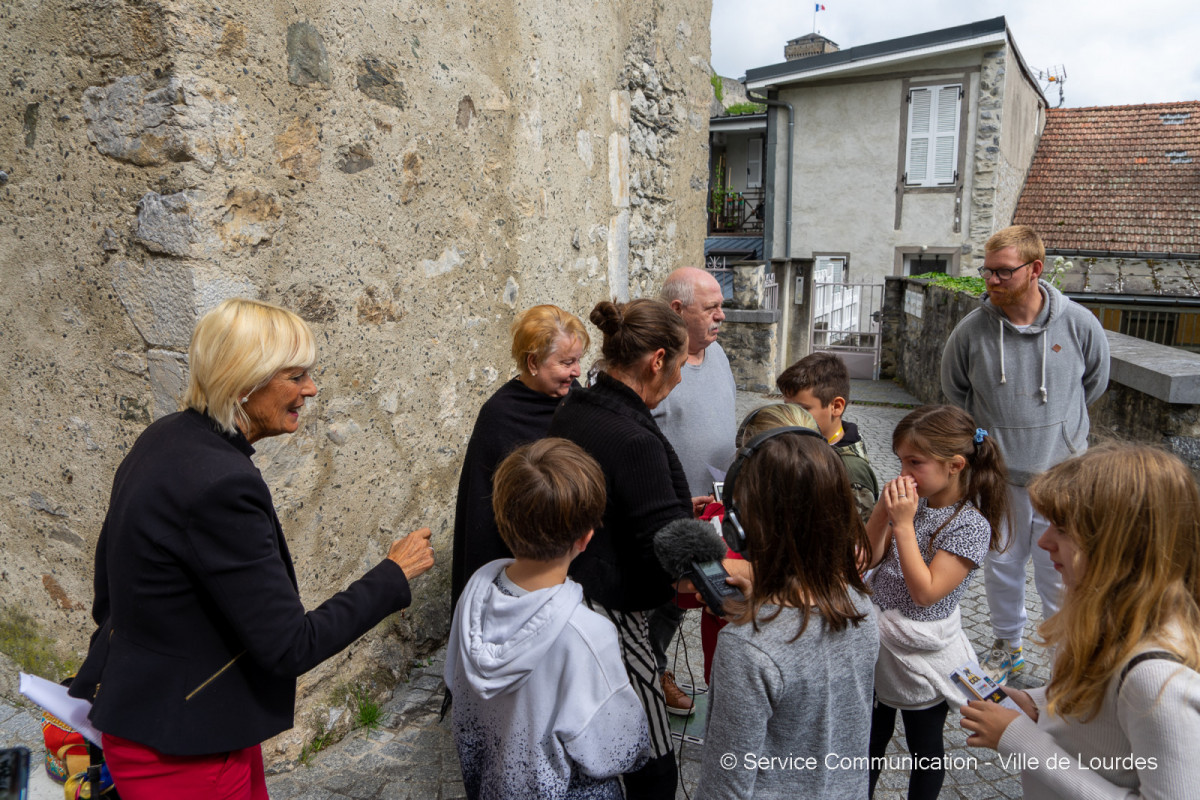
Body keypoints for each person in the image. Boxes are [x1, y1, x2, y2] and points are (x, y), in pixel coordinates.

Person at [67, 298, 434, 800]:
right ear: (245, 382)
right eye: (295, 375)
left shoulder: (164, 437)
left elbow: (109, 594)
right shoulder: (221, 485)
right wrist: (393, 573)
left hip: (181, 719)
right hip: (184, 749)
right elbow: (289, 646)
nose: (311, 388)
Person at [961, 444, 1200, 799]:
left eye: (1062, 528)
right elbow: (1105, 712)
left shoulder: (1157, 679)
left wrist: (1021, 739)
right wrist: (1040, 705)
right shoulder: (1107, 619)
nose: (1043, 541)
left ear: (1119, 547)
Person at [941, 224, 1110, 685]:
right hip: (999, 477)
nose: (990, 281)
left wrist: (1064, 438)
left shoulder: (1078, 324)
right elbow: (955, 392)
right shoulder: (971, 331)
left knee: (1062, 572)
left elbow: (1093, 383)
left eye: (1002, 272)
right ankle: (1008, 649)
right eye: (987, 271)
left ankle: (1065, 663)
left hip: (1064, 478)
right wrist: (986, 445)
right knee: (1002, 565)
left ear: (1035, 270)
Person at [547, 298, 695, 799]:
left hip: (570, 588)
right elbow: (672, 548)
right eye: (679, 364)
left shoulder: (578, 405)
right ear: (657, 360)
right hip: (613, 607)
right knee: (653, 757)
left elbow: (614, 499)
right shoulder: (634, 437)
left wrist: (666, 501)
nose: (679, 377)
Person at [446, 437, 651, 800]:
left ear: (500, 516)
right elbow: (616, 748)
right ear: (586, 538)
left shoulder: (473, 597)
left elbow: (456, 684)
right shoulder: (587, 633)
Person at [696, 428, 878, 799]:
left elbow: (725, 783)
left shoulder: (747, 649)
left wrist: (759, 624)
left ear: (742, 529)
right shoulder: (860, 606)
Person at [865, 405, 1009, 800]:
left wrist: (904, 525)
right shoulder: (918, 504)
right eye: (900, 461)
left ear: (955, 465)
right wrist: (883, 512)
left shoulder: (970, 525)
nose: (903, 472)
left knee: (924, 750)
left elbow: (926, 592)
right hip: (882, 646)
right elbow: (866, 559)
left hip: (922, 651)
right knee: (868, 744)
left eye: (914, 462)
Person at [451, 305, 589, 611]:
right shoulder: (500, 415)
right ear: (533, 362)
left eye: (578, 361)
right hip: (520, 573)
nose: (577, 371)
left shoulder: (576, 401)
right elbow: (482, 513)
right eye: (567, 362)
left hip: (574, 561)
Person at [648, 266, 738, 715]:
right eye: (712, 308)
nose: (722, 316)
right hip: (667, 513)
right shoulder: (658, 364)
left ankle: (719, 683)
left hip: (714, 512)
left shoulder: (717, 354)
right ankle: (650, 671)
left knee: (701, 598)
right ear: (678, 310)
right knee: (660, 601)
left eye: (722, 306)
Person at [777, 351, 880, 522]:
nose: (790, 418)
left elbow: (859, 541)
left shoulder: (850, 471)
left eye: (802, 409)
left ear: (836, 406)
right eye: (787, 408)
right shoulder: (805, 441)